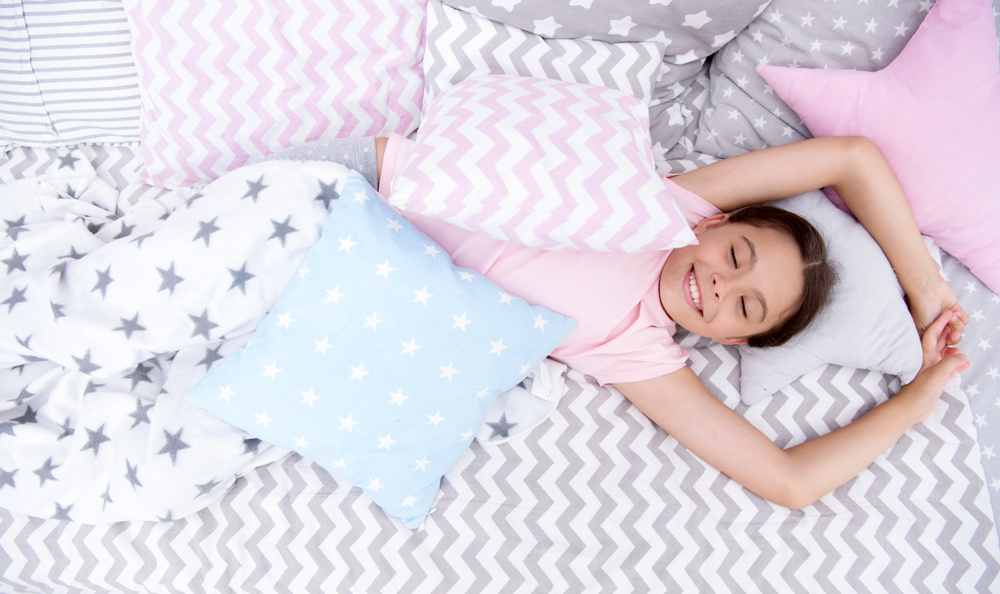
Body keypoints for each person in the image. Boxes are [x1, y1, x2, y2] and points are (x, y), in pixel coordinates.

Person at [264, 134, 972, 509]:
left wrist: (917, 399)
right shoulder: (675, 206)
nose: (720, 283)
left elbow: (789, 482)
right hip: (352, 181)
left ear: (730, 340)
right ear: (719, 221)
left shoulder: (637, 350)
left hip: (343, 274)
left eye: (744, 307)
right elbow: (851, 158)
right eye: (737, 254)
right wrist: (929, 290)